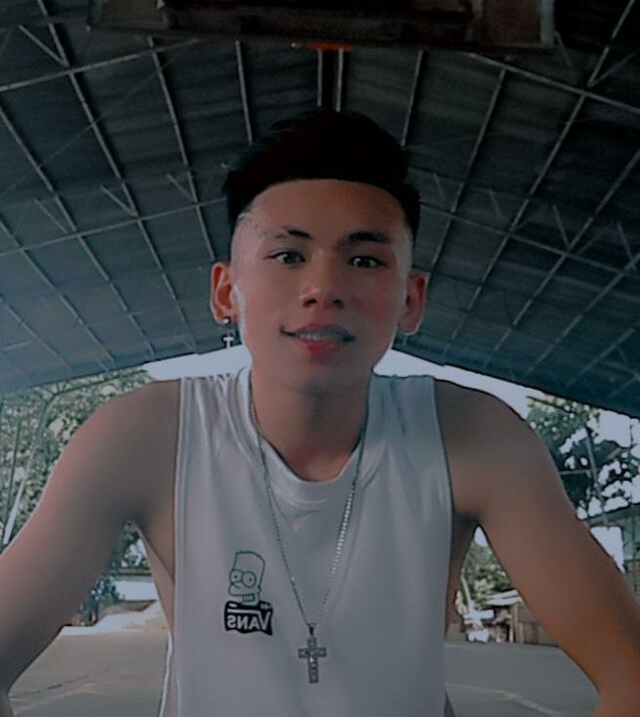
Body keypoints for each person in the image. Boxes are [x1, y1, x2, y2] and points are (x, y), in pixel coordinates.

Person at [0, 110, 639, 717]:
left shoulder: (472, 438)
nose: (323, 288)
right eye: (288, 255)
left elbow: (631, 672)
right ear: (226, 292)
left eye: (365, 260)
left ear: (410, 300)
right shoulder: (148, 438)